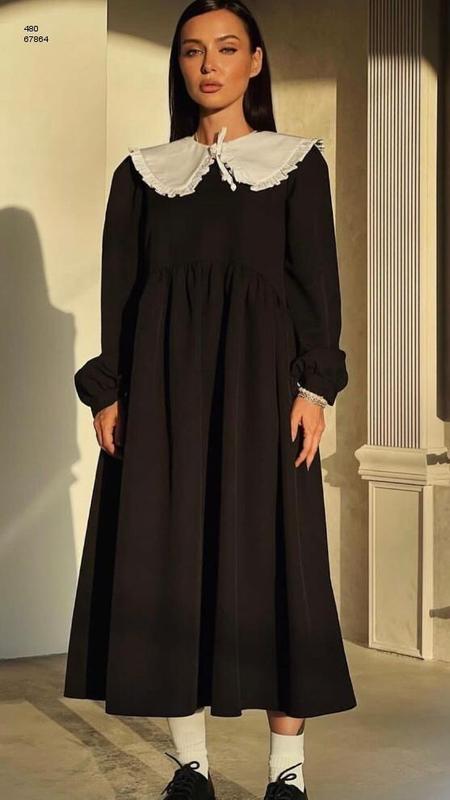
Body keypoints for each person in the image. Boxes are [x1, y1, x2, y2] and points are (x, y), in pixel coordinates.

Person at [63, 1, 357, 798]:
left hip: (265, 396)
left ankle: (287, 776)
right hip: (162, 398)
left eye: (227, 48)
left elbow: (316, 287)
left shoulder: (296, 164)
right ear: (180, 64)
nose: (209, 65)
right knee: (169, 564)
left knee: (280, 563)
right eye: (193, 51)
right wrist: (109, 394)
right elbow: (121, 294)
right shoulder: (143, 173)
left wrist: (315, 387)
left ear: (255, 61)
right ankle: (190, 768)